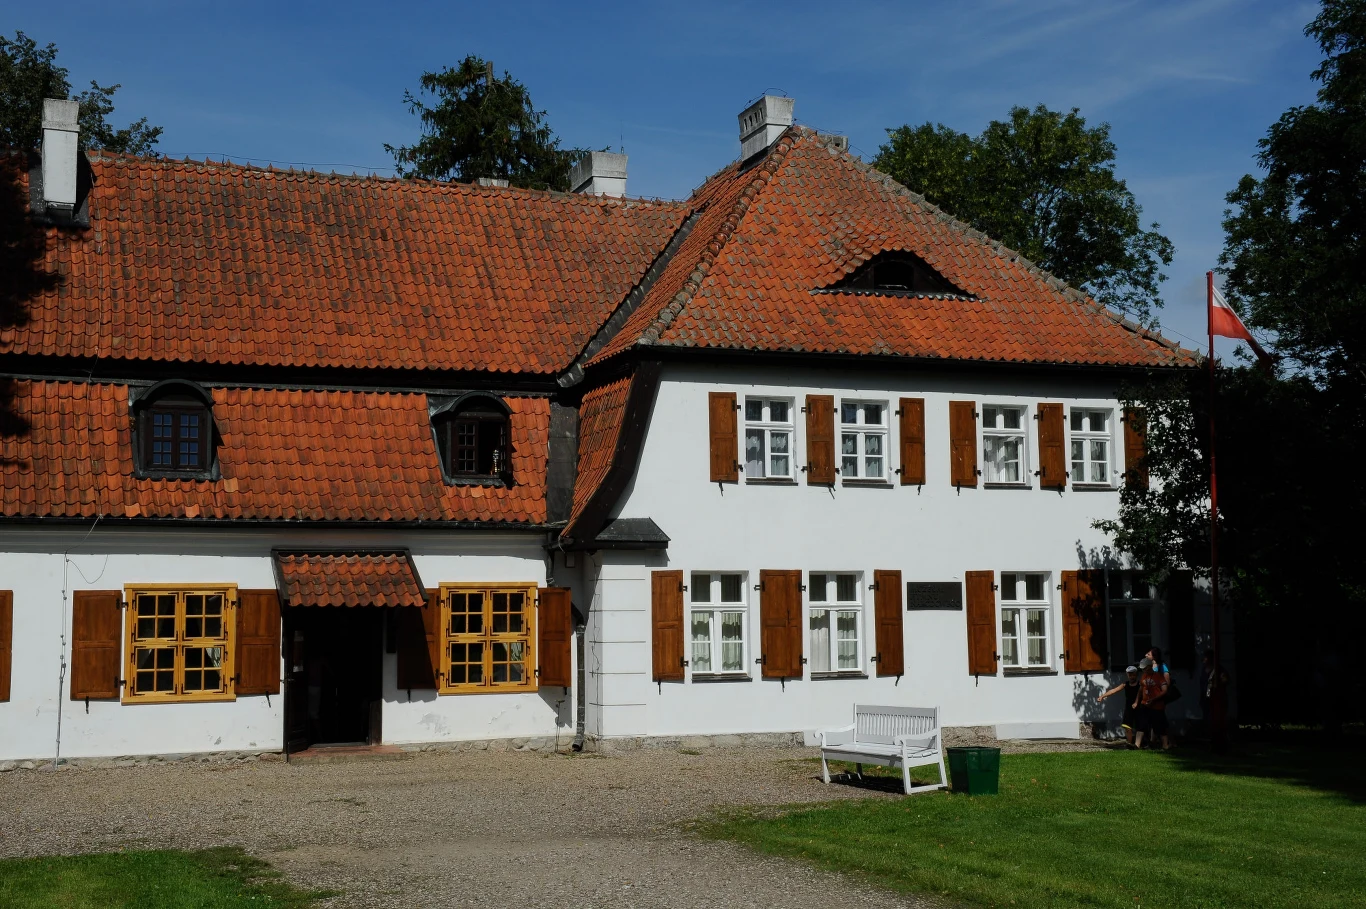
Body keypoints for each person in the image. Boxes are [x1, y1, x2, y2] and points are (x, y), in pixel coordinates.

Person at [1133, 653, 1172, 751]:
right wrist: (1137, 701)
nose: (1143, 670)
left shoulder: (1159, 676)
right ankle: (1136, 745)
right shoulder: (1143, 677)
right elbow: (1141, 690)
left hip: (1157, 706)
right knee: (1141, 725)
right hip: (1145, 704)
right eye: (1142, 669)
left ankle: (1165, 746)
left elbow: (1165, 690)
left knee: (1160, 726)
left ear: (1150, 667)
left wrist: (1154, 699)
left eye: (1145, 668)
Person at [1097, 666, 1143, 746]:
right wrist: (1102, 696)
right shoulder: (1125, 684)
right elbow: (1113, 691)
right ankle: (1130, 744)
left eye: (1133, 675)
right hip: (1129, 708)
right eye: (1130, 675)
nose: (1131, 677)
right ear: (1127, 675)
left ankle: (1140, 744)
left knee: (1140, 726)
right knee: (1127, 727)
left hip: (1139, 707)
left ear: (1136, 675)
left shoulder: (1140, 684)